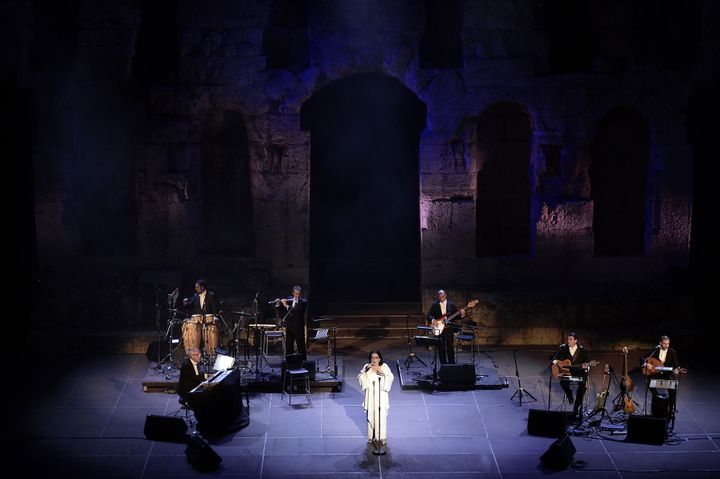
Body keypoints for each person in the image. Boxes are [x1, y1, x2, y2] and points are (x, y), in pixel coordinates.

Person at [358, 350, 394, 446]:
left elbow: (391, 377)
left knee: (381, 416)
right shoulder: (367, 367)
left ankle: (382, 437)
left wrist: (384, 375)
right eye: (372, 357)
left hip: (381, 396)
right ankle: (371, 436)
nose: (374, 360)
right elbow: (360, 378)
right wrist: (365, 371)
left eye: (376, 357)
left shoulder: (384, 367)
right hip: (371, 396)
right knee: (371, 414)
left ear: (380, 358)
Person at [552, 332, 591, 419]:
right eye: (568, 339)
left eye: (570, 339)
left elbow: (588, 362)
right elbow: (552, 358)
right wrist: (558, 363)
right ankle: (569, 395)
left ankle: (576, 408)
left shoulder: (582, 351)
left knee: (582, 388)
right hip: (567, 372)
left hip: (579, 372)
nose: (568, 341)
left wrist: (587, 368)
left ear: (575, 341)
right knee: (563, 382)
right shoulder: (564, 349)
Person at [642, 335, 682, 416]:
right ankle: (656, 397)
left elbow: (676, 364)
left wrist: (677, 369)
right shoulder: (655, 350)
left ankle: (671, 410)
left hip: (667, 373)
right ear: (660, 343)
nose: (666, 346)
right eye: (664, 344)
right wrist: (646, 364)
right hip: (655, 372)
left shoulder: (672, 352)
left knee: (672, 389)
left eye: (668, 344)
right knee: (649, 382)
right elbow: (642, 357)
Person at [426, 289, 465, 364]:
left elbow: (456, 317)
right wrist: (433, 320)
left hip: (448, 329)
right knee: (441, 347)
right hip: (439, 329)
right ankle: (443, 364)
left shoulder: (451, 305)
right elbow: (429, 315)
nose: (441, 298)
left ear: (445, 295)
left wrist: (462, 314)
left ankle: (451, 364)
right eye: (440, 297)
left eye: (442, 296)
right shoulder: (435, 304)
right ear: (438, 296)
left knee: (450, 347)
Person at [278, 285, 309, 360]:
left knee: (300, 346)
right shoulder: (289, 299)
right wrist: (278, 304)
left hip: (298, 327)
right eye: (296, 294)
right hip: (290, 326)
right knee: (289, 345)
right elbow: (283, 312)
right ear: (293, 293)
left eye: (299, 294)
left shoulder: (304, 302)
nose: (297, 296)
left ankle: (303, 363)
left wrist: (286, 305)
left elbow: (296, 312)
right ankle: (289, 363)